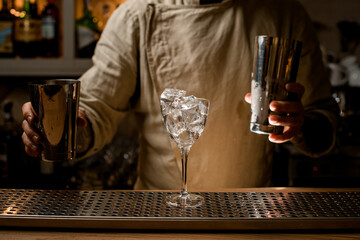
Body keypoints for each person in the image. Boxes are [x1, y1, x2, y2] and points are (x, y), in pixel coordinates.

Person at [22, 0, 339, 190]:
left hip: (249, 212)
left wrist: (300, 126)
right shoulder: (138, 15)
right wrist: (58, 127)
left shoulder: (285, 13)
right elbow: (96, 106)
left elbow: (324, 121)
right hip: (160, 213)